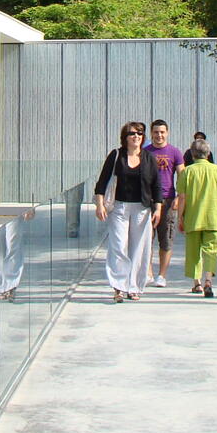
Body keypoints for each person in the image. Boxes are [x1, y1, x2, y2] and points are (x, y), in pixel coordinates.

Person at [94, 122, 161, 302]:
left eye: (139, 133)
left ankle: (134, 286)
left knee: (139, 248)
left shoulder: (148, 158)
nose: (136, 136)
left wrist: (158, 208)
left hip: (142, 208)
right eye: (132, 133)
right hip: (119, 207)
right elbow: (102, 182)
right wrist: (100, 204)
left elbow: (156, 185)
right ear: (125, 137)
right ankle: (118, 286)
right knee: (118, 246)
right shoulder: (116, 155)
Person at [176, 137, 217, 297]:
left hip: (193, 217)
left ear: (192, 154)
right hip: (214, 217)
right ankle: (208, 281)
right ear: (208, 153)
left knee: (193, 251)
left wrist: (180, 217)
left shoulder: (187, 172)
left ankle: (196, 283)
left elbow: (182, 197)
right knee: (212, 251)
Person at [144, 119, 184, 287]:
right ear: (151, 133)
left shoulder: (175, 152)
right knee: (146, 240)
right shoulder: (144, 152)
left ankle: (162, 275)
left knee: (166, 239)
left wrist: (179, 198)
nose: (159, 135)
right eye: (156, 132)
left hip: (167, 200)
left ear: (167, 133)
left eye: (162, 132)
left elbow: (183, 177)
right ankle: (148, 273)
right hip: (148, 201)